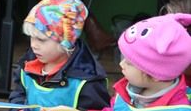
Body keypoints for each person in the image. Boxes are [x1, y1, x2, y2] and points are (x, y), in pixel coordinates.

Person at [49, 13, 191, 111]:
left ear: (156, 74)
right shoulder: (129, 91)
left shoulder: (179, 107)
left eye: (129, 63)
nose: (121, 65)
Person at [9, 0, 109, 110]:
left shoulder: (87, 80)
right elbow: (19, 95)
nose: (33, 45)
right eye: (31, 37)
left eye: (41, 40)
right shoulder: (27, 65)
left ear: (65, 41)